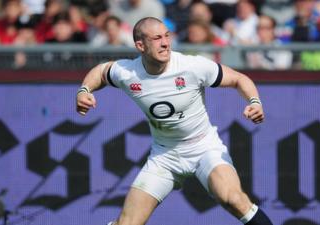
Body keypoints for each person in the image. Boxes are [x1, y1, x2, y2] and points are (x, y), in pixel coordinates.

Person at [76, 17, 273, 225]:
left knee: (233, 199)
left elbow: (239, 79)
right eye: (157, 38)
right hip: (164, 156)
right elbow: (100, 72)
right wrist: (84, 90)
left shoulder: (191, 66)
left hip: (204, 148)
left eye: (167, 36)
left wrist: (255, 101)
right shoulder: (127, 72)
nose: (165, 43)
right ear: (140, 46)